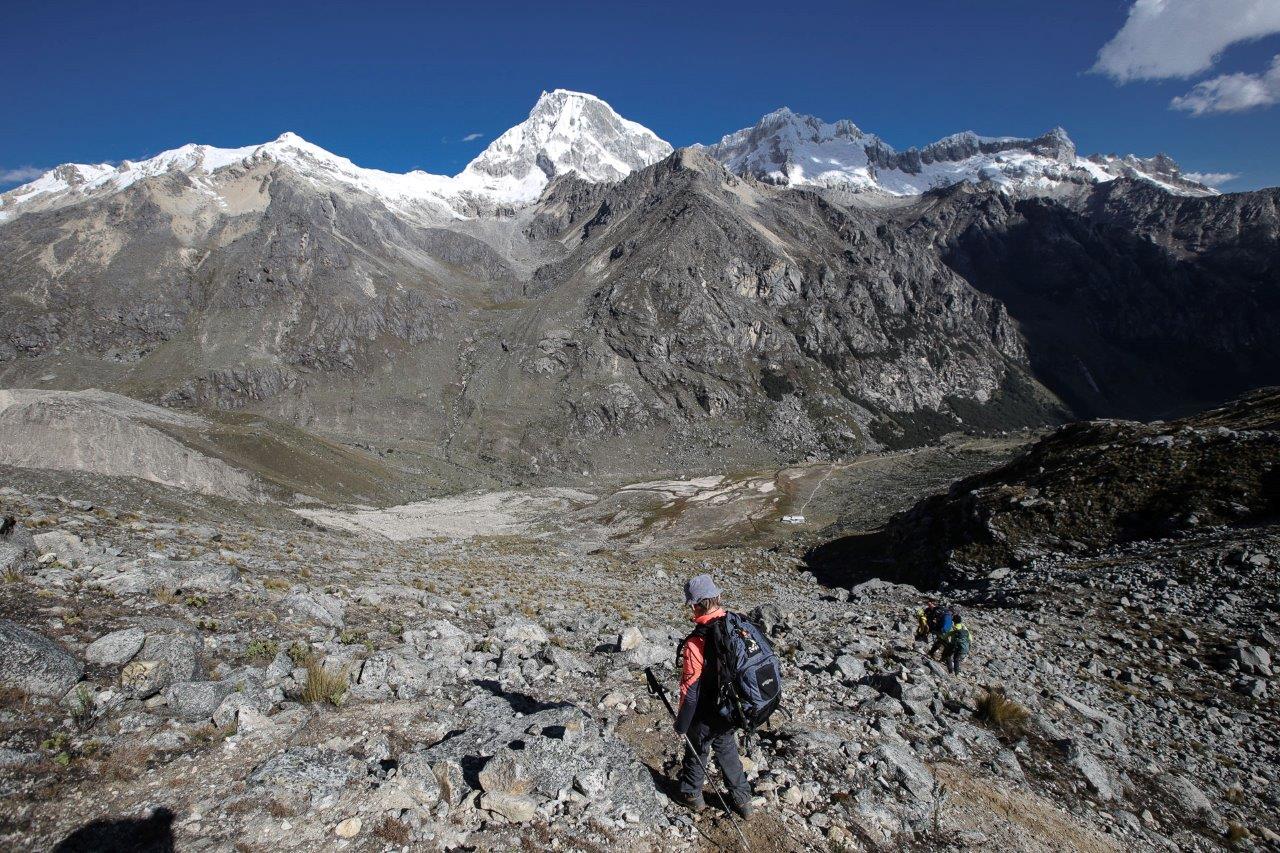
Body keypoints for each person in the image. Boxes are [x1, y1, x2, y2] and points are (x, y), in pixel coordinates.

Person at [674, 573, 754, 817]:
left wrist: (682, 723)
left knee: (697, 746)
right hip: (733, 706)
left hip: (707, 707)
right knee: (727, 747)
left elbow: (690, 686)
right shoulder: (736, 625)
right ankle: (743, 801)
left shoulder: (697, 640)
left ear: (696, 604)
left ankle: (692, 795)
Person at [940, 610, 971, 674]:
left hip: (953, 644)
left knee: (948, 656)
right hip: (963, 645)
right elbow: (970, 638)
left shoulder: (954, 628)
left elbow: (946, 635)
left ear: (954, 621)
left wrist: (941, 638)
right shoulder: (964, 627)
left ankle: (950, 671)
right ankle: (956, 673)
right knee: (956, 659)